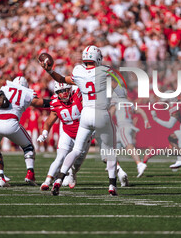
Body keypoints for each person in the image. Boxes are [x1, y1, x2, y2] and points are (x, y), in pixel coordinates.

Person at [40, 45, 127, 196]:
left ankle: (59, 180)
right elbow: (122, 92)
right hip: (101, 113)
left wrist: (49, 70)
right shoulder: (106, 71)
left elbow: (61, 79)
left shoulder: (78, 71)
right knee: (110, 151)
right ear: (98, 58)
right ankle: (112, 185)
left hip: (85, 114)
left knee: (76, 150)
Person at [0, 76, 51, 186]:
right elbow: (40, 103)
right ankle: (30, 174)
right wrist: (55, 102)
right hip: (11, 123)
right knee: (28, 146)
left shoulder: (5, 88)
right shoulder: (27, 92)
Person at [110, 94, 150, 177]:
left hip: (123, 127)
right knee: (111, 148)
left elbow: (111, 113)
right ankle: (115, 166)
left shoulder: (116, 102)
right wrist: (146, 121)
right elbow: (140, 110)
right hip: (128, 126)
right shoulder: (129, 103)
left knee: (129, 146)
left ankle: (139, 164)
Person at [149, 92, 181, 169]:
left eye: (165, 102)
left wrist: (155, 119)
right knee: (172, 137)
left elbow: (170, 125)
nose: (164, 104)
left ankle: (157, 152)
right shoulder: (180, 104)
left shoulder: (176, 106)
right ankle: (180, 160)